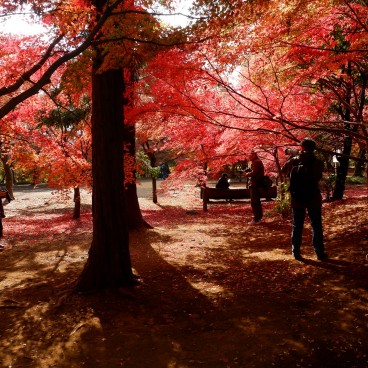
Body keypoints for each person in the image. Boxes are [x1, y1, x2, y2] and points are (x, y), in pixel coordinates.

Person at [282, 138, 328, 261]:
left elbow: (284, 171)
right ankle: (319, 252)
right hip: (313, 196)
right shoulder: (318, 162)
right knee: (316, 225)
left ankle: (296, 252)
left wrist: (293, 157)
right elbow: (318, 177)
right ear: (314, 149)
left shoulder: (294, 160)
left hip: (297, 198)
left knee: (297, 225)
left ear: (302, 148)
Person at [244, 150, 264, 224]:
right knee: (256, 202)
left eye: (250, 155)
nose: (248, 157)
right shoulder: (257, 161)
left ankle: (256, 218)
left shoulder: (256, 162)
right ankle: (258, 217)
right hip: (256, 183)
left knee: (254, 202)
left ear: (254, 155)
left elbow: (254, 173)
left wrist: (246, 174)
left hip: (255, 184)